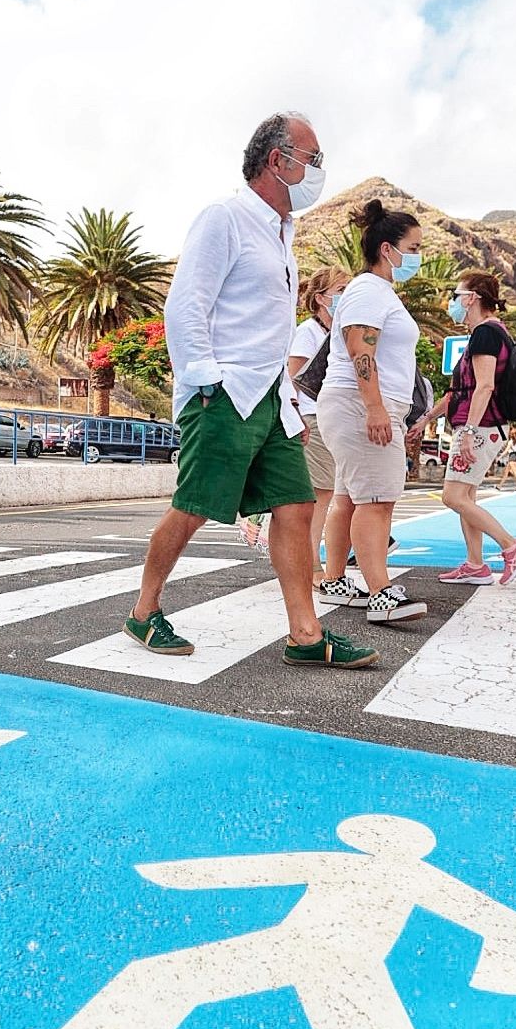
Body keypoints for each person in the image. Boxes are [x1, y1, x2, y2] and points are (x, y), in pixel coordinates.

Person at [124, 113, 378, 669]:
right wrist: (206, 380)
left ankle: (306, 636)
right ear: (276, 160)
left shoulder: (281, 234)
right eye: (312, 159)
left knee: (297, 505)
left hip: (270, 397)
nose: (318, 171)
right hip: (224, 391)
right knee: (194, 507)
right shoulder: (226, 218)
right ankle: (144, 611)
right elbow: (185, 305)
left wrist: (286, 398)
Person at [314, 200, 428, 624]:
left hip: (357, 405)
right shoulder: (366, 289)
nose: (418, 256)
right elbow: (359, 346)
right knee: (378, 501)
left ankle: (335, 579)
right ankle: (381, 592)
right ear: (387, 248)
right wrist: (376, 409)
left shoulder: (377, 291)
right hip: (360, 406)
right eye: (413, 247)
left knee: (349, 497)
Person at [407, 270, 516, 585]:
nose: (452, 302)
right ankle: (475, 564)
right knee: (466, 496)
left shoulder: (486, 334)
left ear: (472, 297)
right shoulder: (486, 334)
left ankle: (511, 546)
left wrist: (467, 432)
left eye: (456, 295)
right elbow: (458, 392)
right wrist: (428, 418)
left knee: (452, 496)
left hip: (480, 427)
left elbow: (484, 387)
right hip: (479, 425)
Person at [287, 266, 351, 581]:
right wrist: (296, 414)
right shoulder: (308, 332)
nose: (345, 296)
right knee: (320, 495)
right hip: (315, 417)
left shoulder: (337, 332)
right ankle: (311, 566)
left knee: (331, 494)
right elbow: (293, 377)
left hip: (334, 418)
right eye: (340, 290)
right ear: (320, 298)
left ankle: (314, 562)